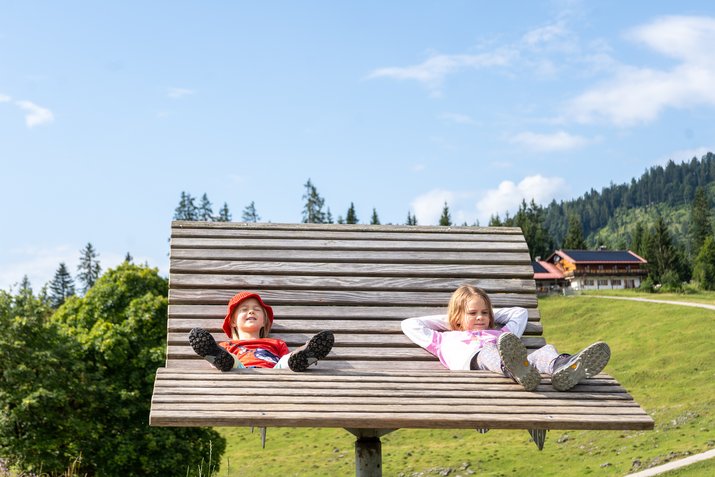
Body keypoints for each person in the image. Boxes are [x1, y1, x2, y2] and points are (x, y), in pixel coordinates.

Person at [401, 284, 610, 391]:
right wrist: (452, 321)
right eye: (472, 313)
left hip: (509, 357)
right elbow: (410, 324)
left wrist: (491, 314)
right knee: (488, 353)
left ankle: (564, 367)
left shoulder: (500, 334)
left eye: (484, 313)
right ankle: (516, 369)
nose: (480, 317)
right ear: (457, 316)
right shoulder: (443, 339)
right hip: (477, 361)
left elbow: (520, 312)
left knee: (544, 351)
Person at [189, 291, 334, 372]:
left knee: (287, 360)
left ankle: (307, 353)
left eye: (256, 309)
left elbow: (284, 362)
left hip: (274, 375)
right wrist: (216, 358)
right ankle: (215, 353)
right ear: (232, 321)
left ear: (264, 321)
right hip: (240, 373)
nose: (251, 311)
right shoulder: (228, 345)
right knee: (230, 360)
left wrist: (291, 360)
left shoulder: (276, 343)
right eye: (244, 309)